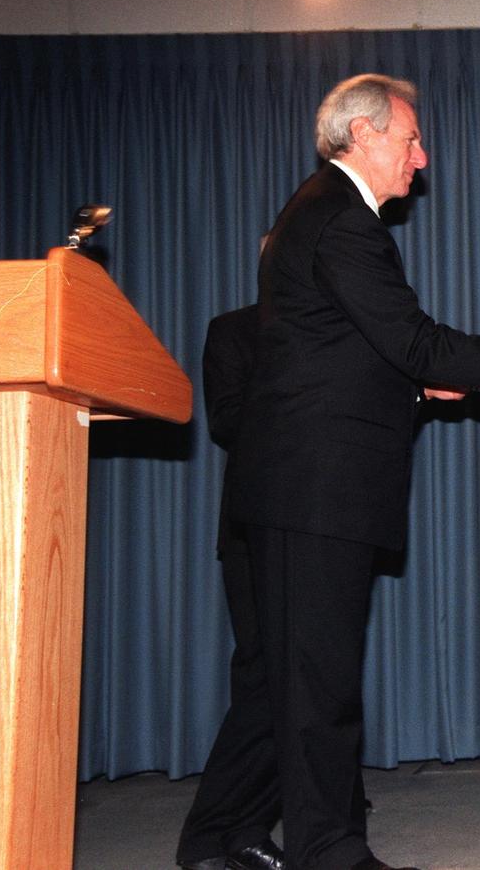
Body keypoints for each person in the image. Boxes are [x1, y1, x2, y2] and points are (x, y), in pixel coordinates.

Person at [217, 74, 480, 870]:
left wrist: (412, 380)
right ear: (364, 135)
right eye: (409, 139)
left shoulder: (320, 213)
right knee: (318, 685)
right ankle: (330, 852)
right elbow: (412, 336)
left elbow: (341, 355)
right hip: (315, 488)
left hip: (301, 485)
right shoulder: (341, 220)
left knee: (292, 680)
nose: (421, 157)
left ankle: (233, 838)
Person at [178, 304, 285, 870]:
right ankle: (211, 834)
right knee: (266, 680)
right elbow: (225, 420)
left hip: (327, 523)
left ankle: (243, 828)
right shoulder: (235, 330)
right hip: (255, 525)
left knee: (302, 684)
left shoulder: (345, 320)